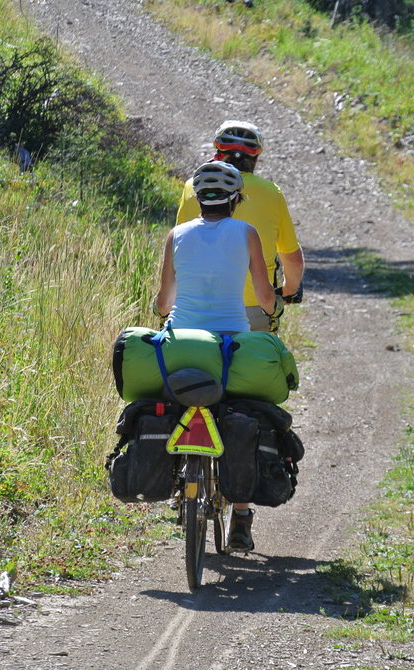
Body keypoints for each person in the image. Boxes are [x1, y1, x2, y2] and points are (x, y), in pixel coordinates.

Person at [155, 160, 282, 551]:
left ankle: (178, 481)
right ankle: (241, 515)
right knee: (243, 410)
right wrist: (274, 305)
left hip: (182, 341)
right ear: (236, 199)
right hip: (229, 342)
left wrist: (167, 312)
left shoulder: (176, 234)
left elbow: (163, 303)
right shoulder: (246, 232)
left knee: (172, 399)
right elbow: (262, 297)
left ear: (197, 199)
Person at [176, 120, 304, 333]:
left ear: (218, 152)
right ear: (255, 158)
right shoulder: (271, 193)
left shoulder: (192, 187)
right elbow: (292, 258)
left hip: (195, 309)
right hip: (252, 311)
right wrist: (289, 290)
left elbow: (178, 249)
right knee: (264, 362)